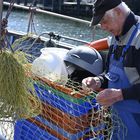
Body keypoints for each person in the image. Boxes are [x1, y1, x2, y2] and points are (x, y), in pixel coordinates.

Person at [82, 0, 140, 139]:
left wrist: (120, 94)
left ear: (118, 12)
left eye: (104, 21)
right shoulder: (115, 37)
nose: (102, 26)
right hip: (119, 125)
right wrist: (98, 81)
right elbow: (110, 74)